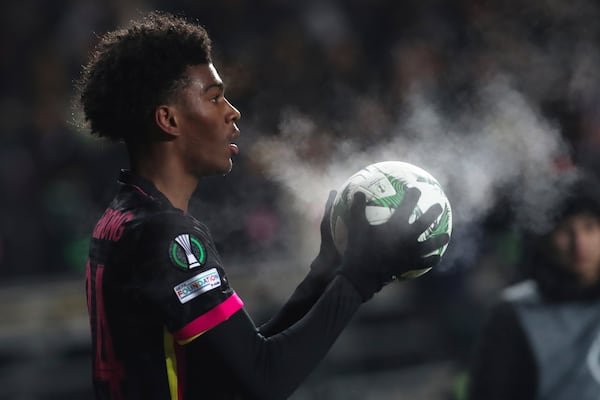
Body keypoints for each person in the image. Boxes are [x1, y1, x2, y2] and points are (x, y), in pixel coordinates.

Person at [78, 11, 449, 400]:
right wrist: (360, 279)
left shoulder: (123, 216)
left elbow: (236, 368)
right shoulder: (167, 236)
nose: (232, 112)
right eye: (215, 97)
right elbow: (263, 382)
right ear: (169, 119)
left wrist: (324, 275)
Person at [467, 172, 600, 400]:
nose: (579, 243)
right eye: (565, 230)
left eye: (590, 228)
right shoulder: (514, 315)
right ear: (545, 237)